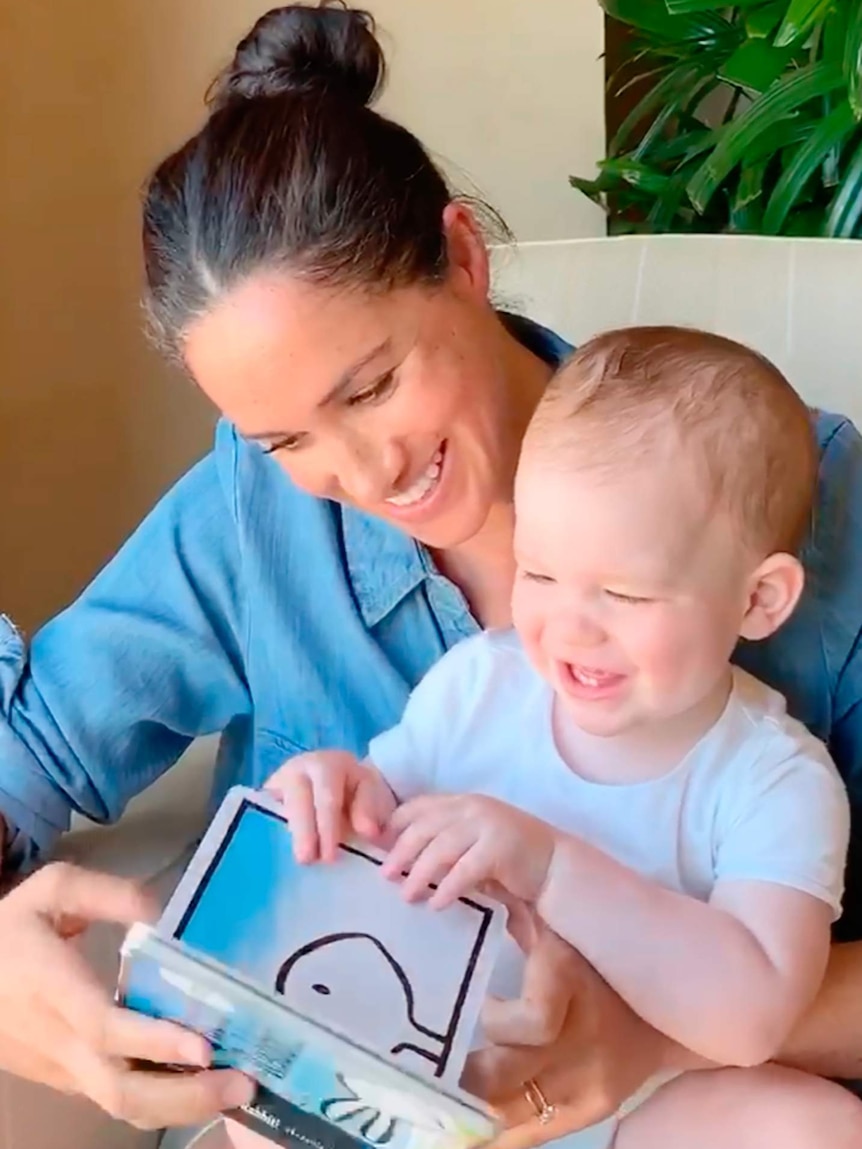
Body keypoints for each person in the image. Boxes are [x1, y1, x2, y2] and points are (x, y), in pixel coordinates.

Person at [1, 1, 862, 1143]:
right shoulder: (257, 515)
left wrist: (641, 1045)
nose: (362, 470)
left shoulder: (807, 503)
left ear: (462, 258)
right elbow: (36, 751)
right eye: (288, 439)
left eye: (370, 388)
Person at [265, 327, 861, 1149]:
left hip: (642, 1104)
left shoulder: (776, 779)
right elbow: (377, 822)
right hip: (436, 1078)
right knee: (262, 1114)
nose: (570, 627)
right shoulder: (478, 686)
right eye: (539, 572)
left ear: (758, 600)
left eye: (623, 591)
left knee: (816, 1128)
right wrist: (334, 789)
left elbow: (754, 1017)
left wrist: (550, 866)